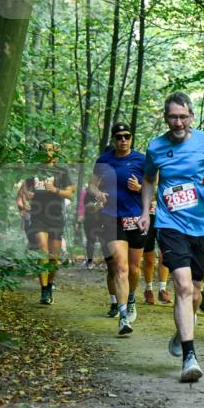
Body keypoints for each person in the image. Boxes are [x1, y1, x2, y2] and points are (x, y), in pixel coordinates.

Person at [139, 92, 204, 383]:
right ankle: (190, 356)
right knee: (181, 286)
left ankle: (182, 333)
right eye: (172, 117)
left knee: (194, 289)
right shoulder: (156, 147)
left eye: (183, 117)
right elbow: (149, 179)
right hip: (170, 223)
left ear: (191, 116)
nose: (177, 122)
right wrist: (145, 212)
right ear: (166, 118)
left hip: (203, 225)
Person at [90, 123, 146, 336]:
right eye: (119, 137)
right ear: (113, 139)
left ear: (131, 138)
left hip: (136, 219)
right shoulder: (104, 160)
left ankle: (131, 298)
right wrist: (97, 193)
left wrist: (140, 188)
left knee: (133, 268)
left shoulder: (141, 160)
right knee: (120, 267)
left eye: (127, 136)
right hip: (112, 218)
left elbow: (155, 186)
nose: (123, 140)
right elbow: (91, 184)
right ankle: (123, 316)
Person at [23, 141, 75, 305]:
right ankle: (44, 290)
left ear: (56, 152)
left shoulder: (62, 169)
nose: (47, 153)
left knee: (54, 257)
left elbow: (70, 194)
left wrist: (55, 190)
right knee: (42, 250)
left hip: (56, 216)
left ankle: (50, 285)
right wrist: (28, 195)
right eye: (44, 150)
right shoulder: (34, 169)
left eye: (50, 150)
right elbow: (25, 189)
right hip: (38, 215)